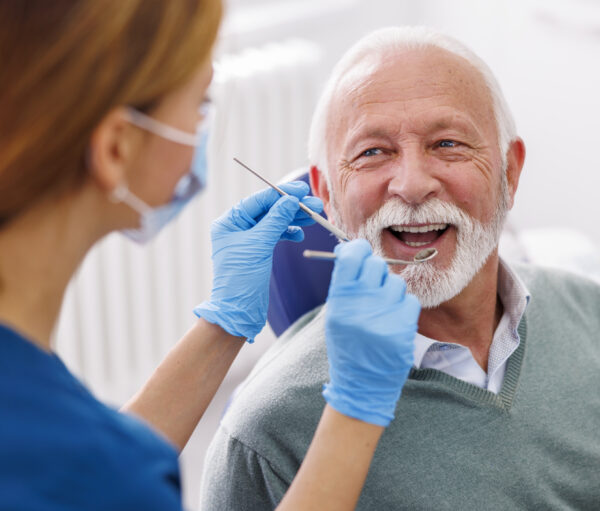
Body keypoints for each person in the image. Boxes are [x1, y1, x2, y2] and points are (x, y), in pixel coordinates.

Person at [0, 3, 422, 510]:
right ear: (115, 148)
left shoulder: (57, 435)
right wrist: (357, 407)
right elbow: (94, 478)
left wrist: (223, 322)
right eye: (200, 106)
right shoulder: (101, 468)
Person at [199, 26, 600, 510]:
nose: (411, 185)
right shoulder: (266, 439)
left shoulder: (589, 312)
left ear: (510, 173)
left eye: (448, 143)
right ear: (325, 196)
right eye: (372, 152)